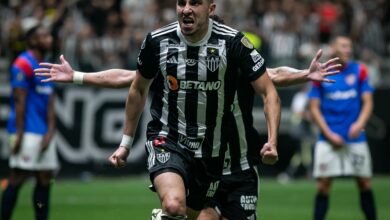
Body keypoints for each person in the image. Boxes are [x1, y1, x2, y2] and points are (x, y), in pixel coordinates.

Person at [39, 1, 281, 219]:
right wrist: (125, 143)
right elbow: (136, 87)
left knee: (188, 213)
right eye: (181, 2)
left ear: (211, 9)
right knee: (175, 205)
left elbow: (270, 89)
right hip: (168, 138)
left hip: (211, 151)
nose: (186, 9)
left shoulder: (233, 43)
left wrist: (272, 140)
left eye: (195, 3)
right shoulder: (157, 41)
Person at [35, 48, 340, 220]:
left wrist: (305, 74)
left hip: (238, 164)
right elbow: (130, 78)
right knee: (190, 212)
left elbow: (274, 75)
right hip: (202, 160)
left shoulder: (236, 67)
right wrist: (77, 76)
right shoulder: (182, 67)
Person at [308, 35, 377, 220]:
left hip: (355, 138)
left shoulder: (360, 70)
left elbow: (368, 102)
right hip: (328, 139)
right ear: (333, 49)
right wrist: (329, 134)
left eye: (350, 46)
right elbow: (314, 108)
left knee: (364, 183)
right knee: (323, 185)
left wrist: (360, 124)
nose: (348, 49)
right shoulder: (322, 72)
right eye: (344, 46)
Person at [1, 24, 58, 220]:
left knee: (45, 179)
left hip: (43, 131)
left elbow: (51, 101)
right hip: (27, 131)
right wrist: (18, 133)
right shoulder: (22, 63)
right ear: (32, 40)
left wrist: (51, 130)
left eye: (49, 35)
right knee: (17, 177)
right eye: (44, 36)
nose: (49, 39)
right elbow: (19, 101)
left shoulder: (48, 65)